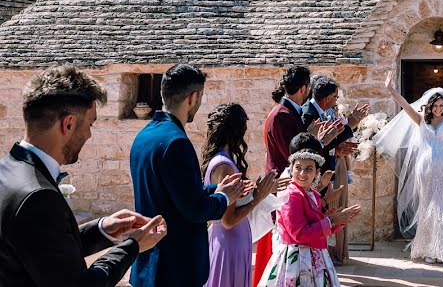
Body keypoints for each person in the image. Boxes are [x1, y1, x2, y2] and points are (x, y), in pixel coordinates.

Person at [0, 65, 167, 287]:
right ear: (68, 124)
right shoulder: (38, 196)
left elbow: (45, 250)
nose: (89, 134)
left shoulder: (7, 169)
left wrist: (102, 229)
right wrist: (132, 246)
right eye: (90, 124)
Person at [130, 64, 250, 287]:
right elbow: (194, 210)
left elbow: (173, 194)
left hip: (149, 258)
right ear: (193, 98)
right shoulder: (177, 143)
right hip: (175, 266)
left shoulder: (143, 135)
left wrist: (216, 190)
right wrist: (224, 199)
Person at [374, 70, 443, 263]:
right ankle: (427, 249)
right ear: (430, 106)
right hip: (425, 167)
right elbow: (404, 105)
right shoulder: (420, 120)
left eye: (441, 105)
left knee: (441, 207)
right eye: (435, 105)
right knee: (427, 206)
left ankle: (439, 249)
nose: (438, 108)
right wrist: (391, 90)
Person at [201, 103, 281, 287]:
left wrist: (254, 191)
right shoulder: (225, 166)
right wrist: (259, 198)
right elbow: (228, 220)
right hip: (230, 243)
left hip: (227, 241)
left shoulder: (219, 160)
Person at [257, 149, 362, 286]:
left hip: (315, 255)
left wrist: (339, 220)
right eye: (298, 168)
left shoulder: (311, 193)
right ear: (291, 169)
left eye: (308, 169)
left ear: (317, 172)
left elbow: (317, 227)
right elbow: (299, 233)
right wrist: (331, 221)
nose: (302, 173)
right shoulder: (291, 195)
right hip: (295, 258)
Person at [300, 75, 367, 173]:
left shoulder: (322, 109)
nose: (336, 100)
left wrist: (339, 147)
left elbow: (330, 139)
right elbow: (315, 145)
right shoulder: (309, 114)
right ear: (327, 98)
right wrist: (350, 125)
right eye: (336, 97)